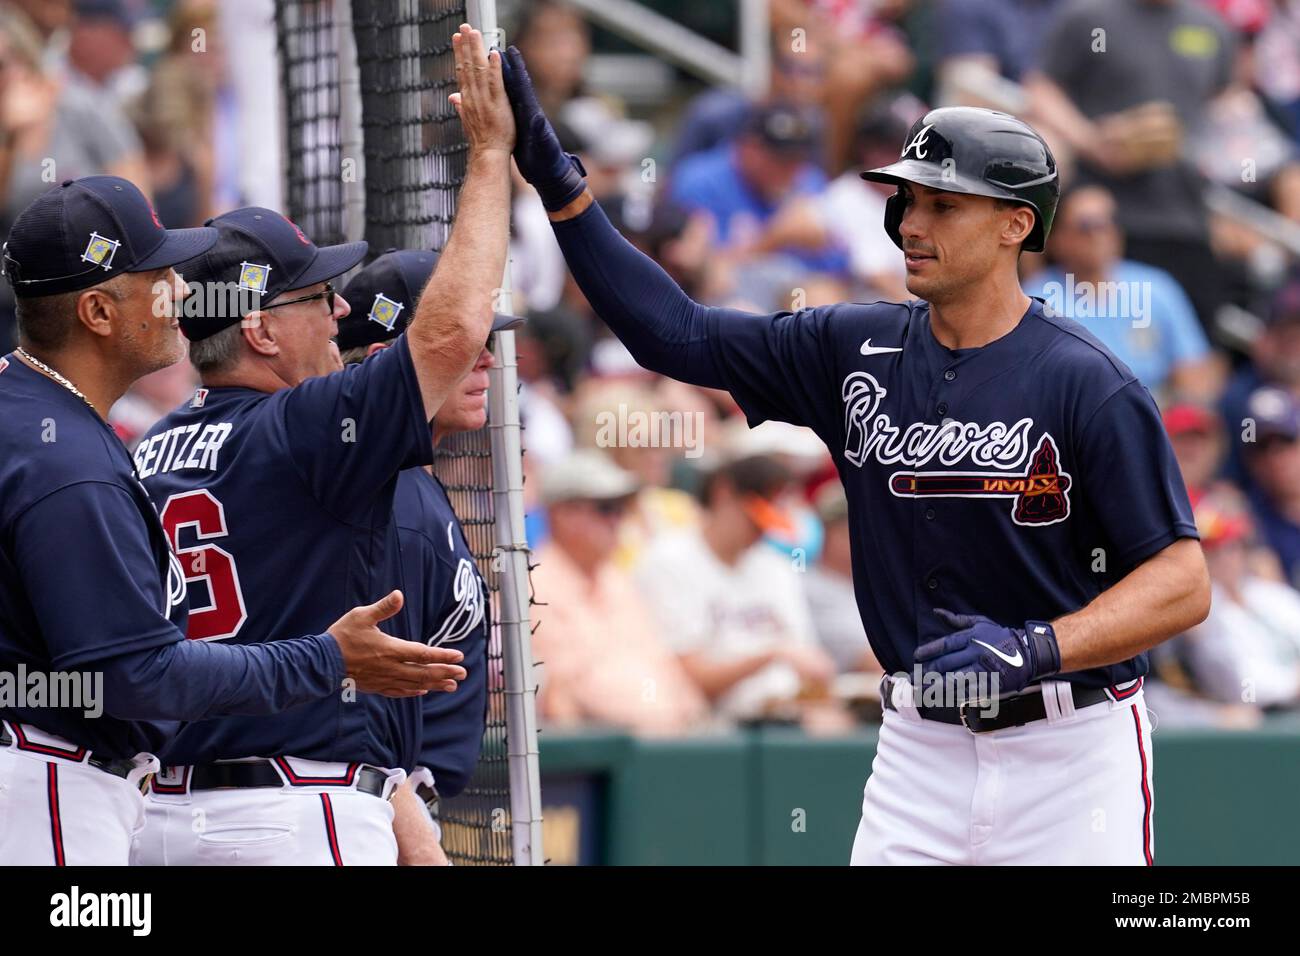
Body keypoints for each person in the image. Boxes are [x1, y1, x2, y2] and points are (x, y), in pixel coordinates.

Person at [502, 48, 1211, 865]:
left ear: (1018, 224)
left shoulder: (1090, 383)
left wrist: (1038, 645)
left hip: (1071, 747)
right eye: (907, 201)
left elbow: (1180, 582)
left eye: (944, 205)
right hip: (920, 745)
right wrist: (560, 183)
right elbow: (676, 333)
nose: (910, 223)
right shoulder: (853, 346)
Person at [129, 25, 512, 867]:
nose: (339, 312)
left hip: (154, 814)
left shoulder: (150, 447)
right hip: (290, 811)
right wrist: (489, 162)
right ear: (259, 328)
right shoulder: (304, 428)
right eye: (317, 296)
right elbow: (448, 334)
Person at [0, 176, 461, 865]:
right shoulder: (67, 462)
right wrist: (327, 658)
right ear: (97, 311)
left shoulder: (32, 417)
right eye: (158, 277)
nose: (183, 295)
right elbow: (131, 676)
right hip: (46, 790)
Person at [336, 248, 523, 864]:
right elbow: (357, 701)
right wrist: (413, 834)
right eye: (466, 346)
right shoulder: (388, 498)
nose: (488, 361)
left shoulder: (412, 483)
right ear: (394, 363)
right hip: (373, 809)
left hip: (387, 806)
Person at [634, 452, 847, 730]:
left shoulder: (775, 566)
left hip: (789, 719)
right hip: (713, 727)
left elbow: (811, 665)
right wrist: (771, 655)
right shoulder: (667, 560)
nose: (762, 532)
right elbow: (689, 676)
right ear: (724, 493)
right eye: (755, 518)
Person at [531, 450, 710, 735]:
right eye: (606, 508)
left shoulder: (617, 578)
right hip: (598, 759)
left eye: (621, 509)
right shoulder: (532, 585)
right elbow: (564, 699)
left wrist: (695, 721)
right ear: (563, 514)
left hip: (665, 744)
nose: (617, 520)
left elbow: (663, 664)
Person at [1023, 183, 1218, 400]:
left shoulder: (1157, 287)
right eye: (1086, 226)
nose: (1100, 235)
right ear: (1057, 238)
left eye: (1108, 222)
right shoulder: (1037, 299)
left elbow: (1194, 372)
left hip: (1156, 417)